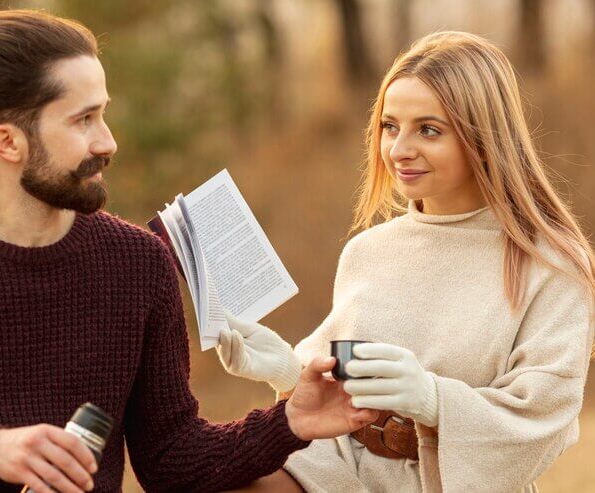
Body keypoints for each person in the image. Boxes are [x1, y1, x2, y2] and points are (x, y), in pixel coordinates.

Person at [0, 9, 380, 493]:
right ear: (7, 143)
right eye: (83, 121)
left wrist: (290, 421)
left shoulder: (138, 262)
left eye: (102, 115)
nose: (107, 141)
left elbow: (172, 457)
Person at [217, 31, 595, 492]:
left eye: (428, 130)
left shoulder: (551, 266)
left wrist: (435, 401)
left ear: (483, 137)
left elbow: (544, 416)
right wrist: (285, 369)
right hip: (336, 471)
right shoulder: (367, 250)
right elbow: (344, 389)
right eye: (390, 126)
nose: (398, 150)